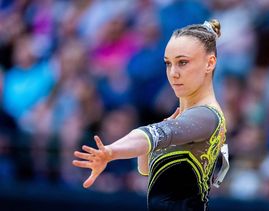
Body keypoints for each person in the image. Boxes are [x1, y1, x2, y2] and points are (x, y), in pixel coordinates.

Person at [73, 19, 228, 211]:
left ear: (209, 63)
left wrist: (111, 152)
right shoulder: (182, 120)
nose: (173, 73)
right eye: (168, 63)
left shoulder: (207, 116)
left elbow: (152, 134)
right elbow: (146, 169)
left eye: (183, 62)